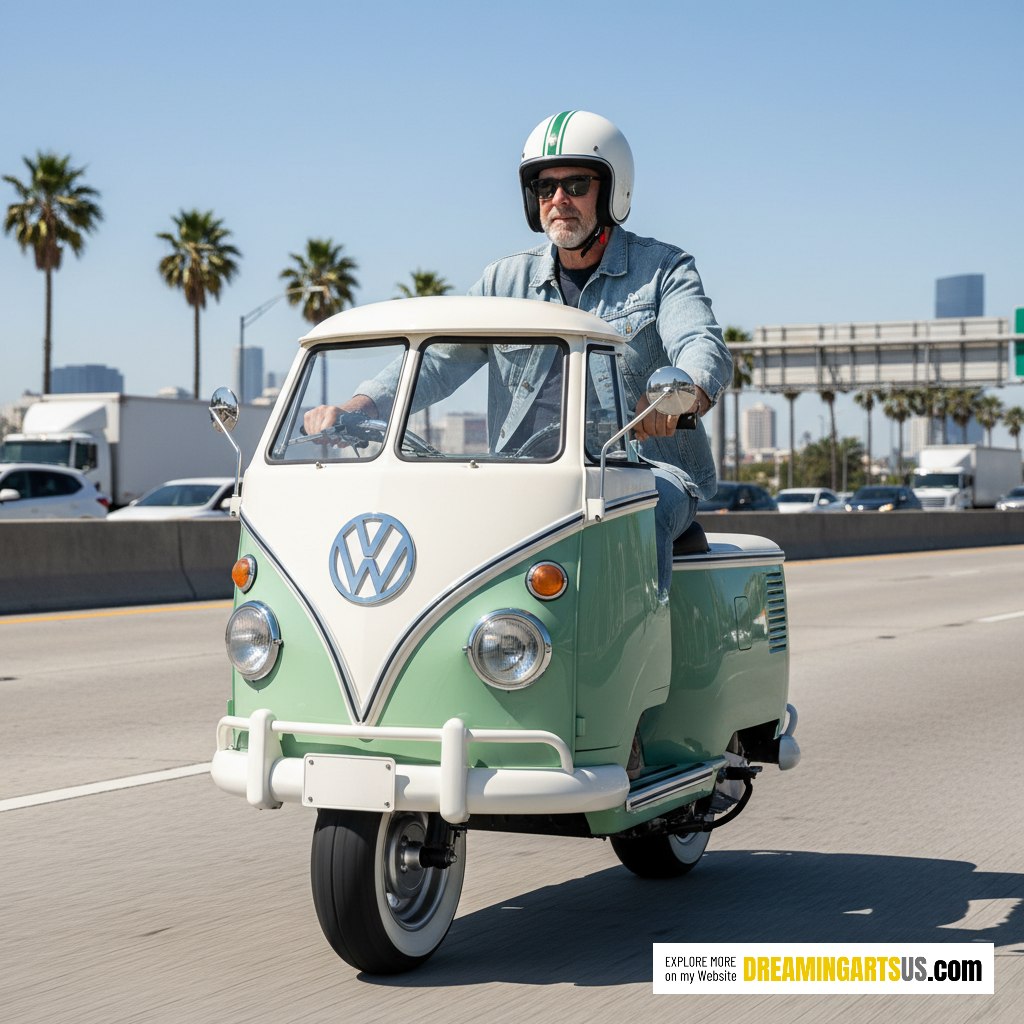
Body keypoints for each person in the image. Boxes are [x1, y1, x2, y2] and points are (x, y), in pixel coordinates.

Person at [304, 110, 731, 598]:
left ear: (613, 191)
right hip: (523, 473)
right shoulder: (504, 282)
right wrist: (358, 407)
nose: (559, 200)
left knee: (631, 513)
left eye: (576, 185)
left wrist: (680, 396)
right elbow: (438, 361)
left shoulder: (662, 270)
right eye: (545, 188)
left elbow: (700, 343)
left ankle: (633, 639)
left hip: (643, 470)